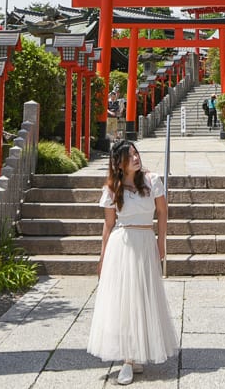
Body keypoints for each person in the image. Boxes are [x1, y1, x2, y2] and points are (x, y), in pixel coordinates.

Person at [86, 142, 178, 384]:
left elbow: (162, 212)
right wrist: (102, 257)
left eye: (136, 153)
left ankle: (137, 353)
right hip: (122, 243)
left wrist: (162, 243)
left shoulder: (152, 180)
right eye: (129, 156)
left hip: (146, 240)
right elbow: (108, 225)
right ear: (118, 163)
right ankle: (128, 358)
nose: (136, 158)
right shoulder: (112, 188)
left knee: (144, 297)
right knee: (124, 300)